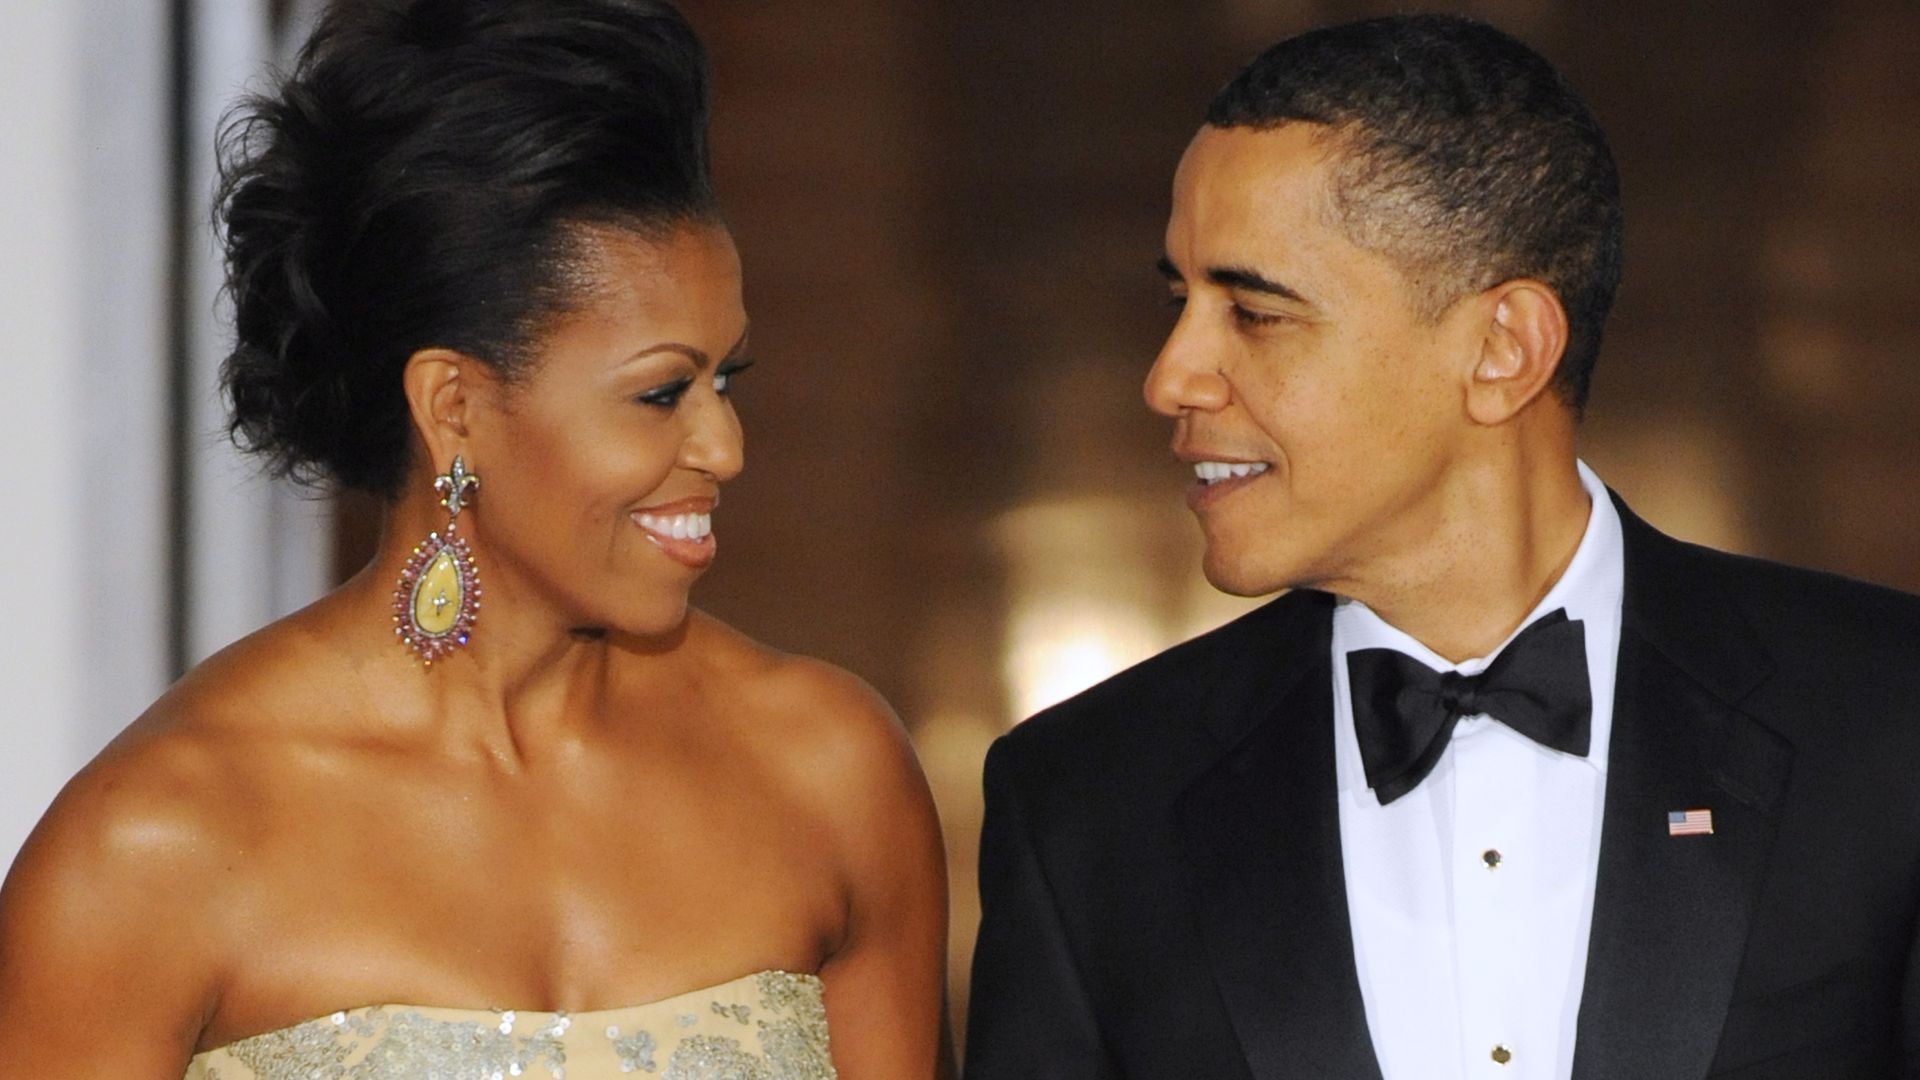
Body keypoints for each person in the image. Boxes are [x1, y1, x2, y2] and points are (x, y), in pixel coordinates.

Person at [0, 2, 951, 1076]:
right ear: (452, 406)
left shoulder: (827, 771)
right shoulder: (151, 850)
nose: (723, 446)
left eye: (727, 379)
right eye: (660, 393)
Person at [965, 13, 1920, 1080]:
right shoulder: (1086, 805)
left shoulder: (1888, 720)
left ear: (1503, 350)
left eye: (1254, 312)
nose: (1170, 375)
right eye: (1178, 300)